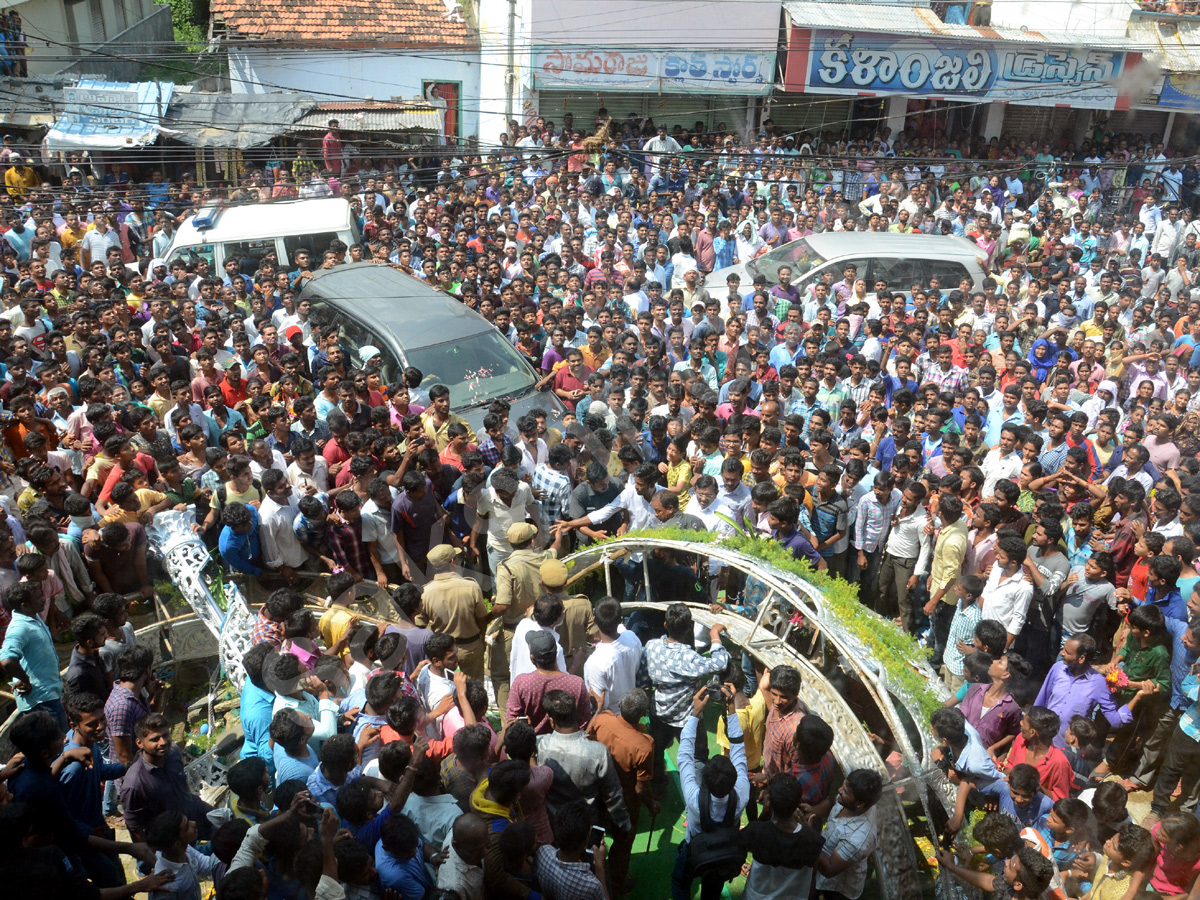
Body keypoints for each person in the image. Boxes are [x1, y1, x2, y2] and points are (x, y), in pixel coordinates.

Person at [637, 603, 730, 794]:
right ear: (689, 628)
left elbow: (642, 678)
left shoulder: (652, 646)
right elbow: (720, 664)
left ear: (665, 624)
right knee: (697, 757)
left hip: (660, 711)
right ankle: (695, 800)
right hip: (688, 717)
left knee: (657, 749)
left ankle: (656, 789)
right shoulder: (690, 657)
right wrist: (714, 635)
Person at [672, 683, 750, 900]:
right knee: (712, 891)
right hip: (722, 855)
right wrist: (731, 710)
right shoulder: (742, 793)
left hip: (693, 849)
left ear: (703, 781)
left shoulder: (695, 800)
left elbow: (685, 756)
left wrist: (695, 713)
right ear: (734, 780)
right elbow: (739, 751)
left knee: (680, 883)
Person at [537, 688, 630, 833]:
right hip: (588, 827)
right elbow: (613, 794)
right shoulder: (598, 752)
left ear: (551, 721)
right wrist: (623, 823)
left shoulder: (539, 745)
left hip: (552, 825)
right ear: (577, 715)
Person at [418, 543, 488, 678]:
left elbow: (420, 624)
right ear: (452, 562)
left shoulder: (426, 592)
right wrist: (482, 639)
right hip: (470, 648)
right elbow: (482, 619)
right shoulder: (471, 586)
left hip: (443, 653)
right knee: (474, 690)